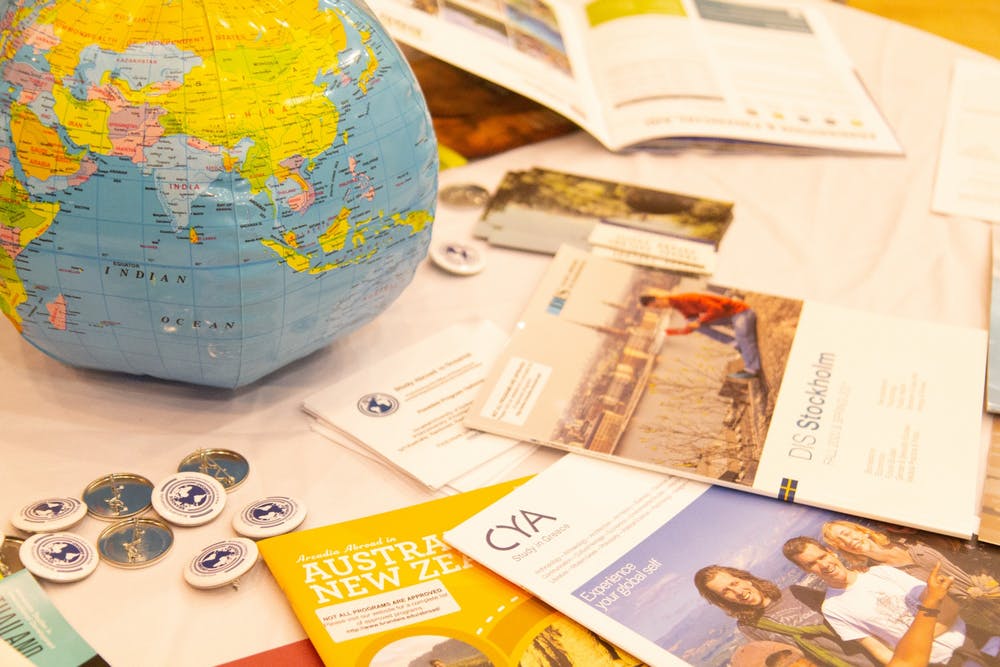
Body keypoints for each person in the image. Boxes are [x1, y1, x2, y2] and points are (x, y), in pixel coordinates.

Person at [782, 536, 998, 666]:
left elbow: (947, 605)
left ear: (831, 552)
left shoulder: (881, 573)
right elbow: (880, 652)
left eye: (822, 556)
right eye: (812, 564)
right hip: (939, 663)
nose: (824, 565)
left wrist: (916, 643)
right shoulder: (833, 608)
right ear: (804, 570)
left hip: (971, 636)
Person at [821, 520, 1000, 633]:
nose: (847, 542)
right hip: (977, 612)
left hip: (989, 580)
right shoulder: (876, 573)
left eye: (846, 534)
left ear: (860, 530)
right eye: (840, 543)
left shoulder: (902, 535)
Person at [694, 564, 876, 666]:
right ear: (723, 601)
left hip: (877, 653)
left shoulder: (795, 592)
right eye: (726, 592)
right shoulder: (750, 627)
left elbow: (846, 610)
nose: (738, 591)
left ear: (745, 578)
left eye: (734, 582)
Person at [639, 289, 761, 379]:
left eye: (657, 306)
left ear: (658, 298)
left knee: (744, 335)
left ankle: (752, 369)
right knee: (692, 322)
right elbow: (691, 326)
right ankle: (735, 344)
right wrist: (668, 332)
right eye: (657, 308)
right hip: (729, 317)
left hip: (741, 312)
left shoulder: (685, 298)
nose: (661, 308)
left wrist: (699, 321)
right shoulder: (678, 305)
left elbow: (717, 309)